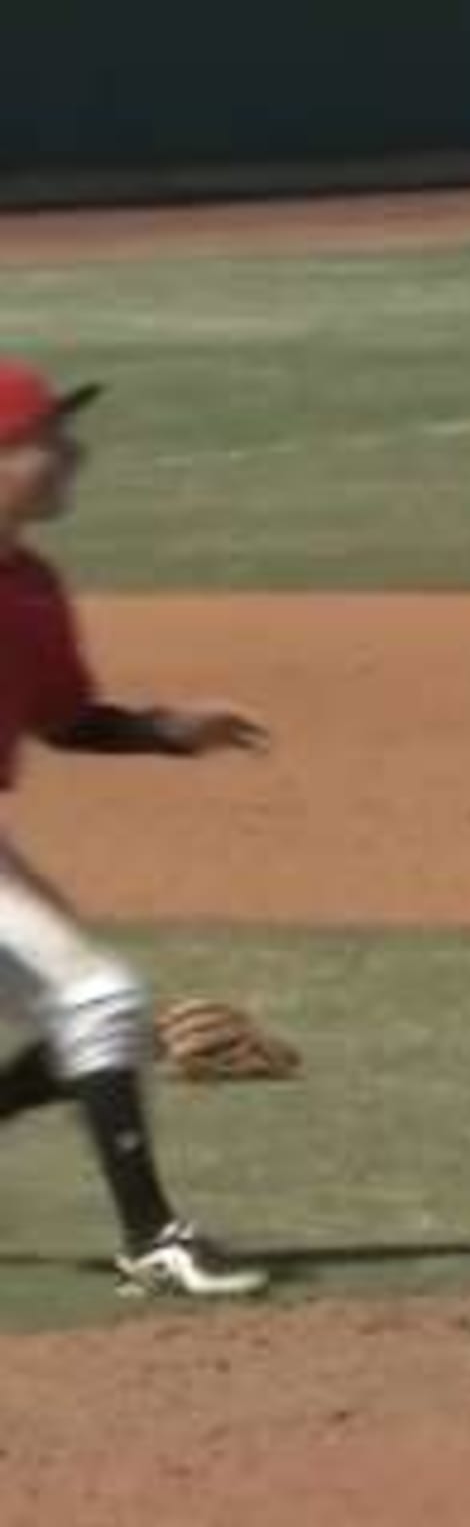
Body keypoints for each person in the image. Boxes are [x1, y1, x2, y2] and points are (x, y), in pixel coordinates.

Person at [0, 358, 272, 1300]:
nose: (71, 453)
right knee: (97, 1002)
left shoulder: (31, 586)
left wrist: (164, 730)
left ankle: (151, 1235)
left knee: (85, 1010)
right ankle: (153, 1239)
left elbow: (61, 720)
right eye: (45, 438)